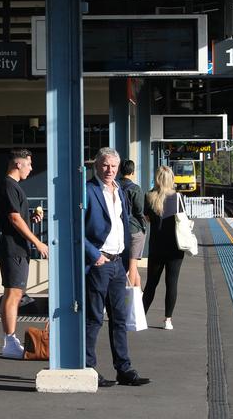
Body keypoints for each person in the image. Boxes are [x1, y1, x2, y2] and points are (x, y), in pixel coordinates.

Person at [84, 148, 150, 387]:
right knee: (93, 319)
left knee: (119, 319)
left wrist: (127, 262)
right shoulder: (88, 190)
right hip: (99, 263)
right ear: (97, 166)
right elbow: (75, 227)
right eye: (105, 165)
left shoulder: (120, 190)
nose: (110, 170)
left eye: (113, 166)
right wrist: (94, 255)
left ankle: (124, 369)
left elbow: (124, 225)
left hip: (117, 264)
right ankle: (89, 368)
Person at [0, 148, 48, 359]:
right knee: (14, 293)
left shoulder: (13, 187)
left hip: (16, 247)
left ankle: (10, 340)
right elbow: (14, 219)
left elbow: (18, 218)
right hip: (13, 247)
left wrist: (32, 221)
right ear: (18, 164)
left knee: (14, 293)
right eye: (29, 164)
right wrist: (37, 242)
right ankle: (10, 341)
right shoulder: (9, 185)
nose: (31, 168)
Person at [142, 165, 186, 331]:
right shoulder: (178, 197)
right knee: (172, 283)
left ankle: (142, 316)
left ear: (157, 179)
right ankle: (168, 320)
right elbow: (182, 219)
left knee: (151, 283)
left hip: (156, 247)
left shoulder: (149, 196)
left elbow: (147, 219)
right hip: (175, 247)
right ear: (171, 179)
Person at [118, 159, 147, 287]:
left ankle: (137, 296)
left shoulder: (114, 186)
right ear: (133, 172)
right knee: (133, 266)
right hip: (134, 229)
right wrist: (143, 227)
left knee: (124, 265)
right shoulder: (135, 189)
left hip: (118, 230)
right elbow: (140, 211)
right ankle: (129, 300)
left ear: (119, 170)